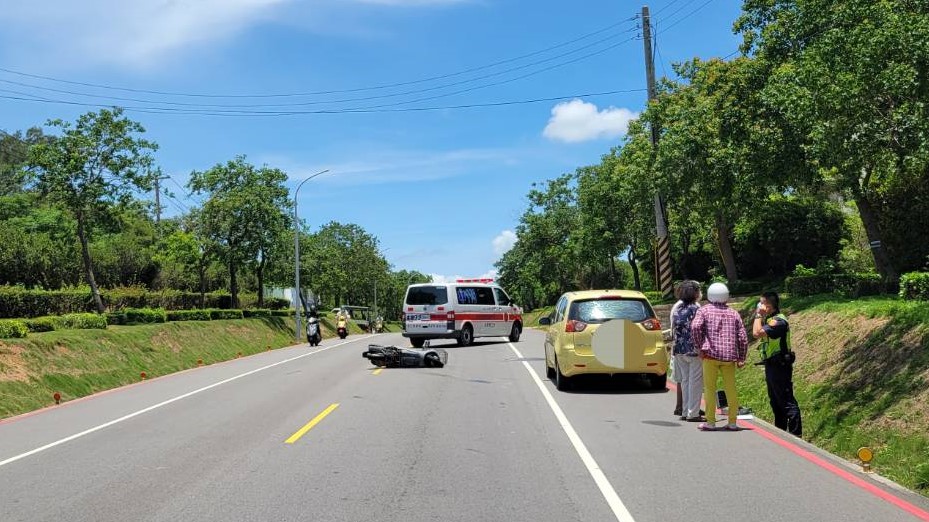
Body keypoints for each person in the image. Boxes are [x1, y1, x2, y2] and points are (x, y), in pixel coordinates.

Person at [690, 282, 747, 431]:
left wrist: (700, 346)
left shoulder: (704, 311)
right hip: (729, 357)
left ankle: (710, 422)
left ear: (709, 295)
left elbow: (695, 327)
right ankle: (733, 422)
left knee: (709, 388)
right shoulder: (734, 313)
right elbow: (742, 337)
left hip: (710, 355)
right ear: (726, 296)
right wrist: (741, 357)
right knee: (731, 388)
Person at [752, 291, 803, 437]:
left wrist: (758, 315)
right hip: (772, 365)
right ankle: (781, 433)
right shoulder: (770, 319)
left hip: (780, 365)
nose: (759, 305)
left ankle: (796, 435)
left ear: (768, 305)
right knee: (776, 401)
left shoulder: (778, 321)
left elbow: (756, 333)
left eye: (761, 303)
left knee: (787, 402)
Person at [672, 281, 704, 421]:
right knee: (695, 381)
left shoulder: (678, 308)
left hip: (679, 349)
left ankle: (685, 411)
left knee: (685, 381)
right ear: (695, 293)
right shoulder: (696, 309)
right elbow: (699, 329)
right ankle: (693, 413)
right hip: (693, 350)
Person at [668, 285, 684, 416]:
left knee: (682, 378)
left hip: (679, 348)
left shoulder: (678, 306)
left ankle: (682, 406)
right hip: (685, 348)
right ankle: (683, 406)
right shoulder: (684, 306)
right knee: (685, 378)